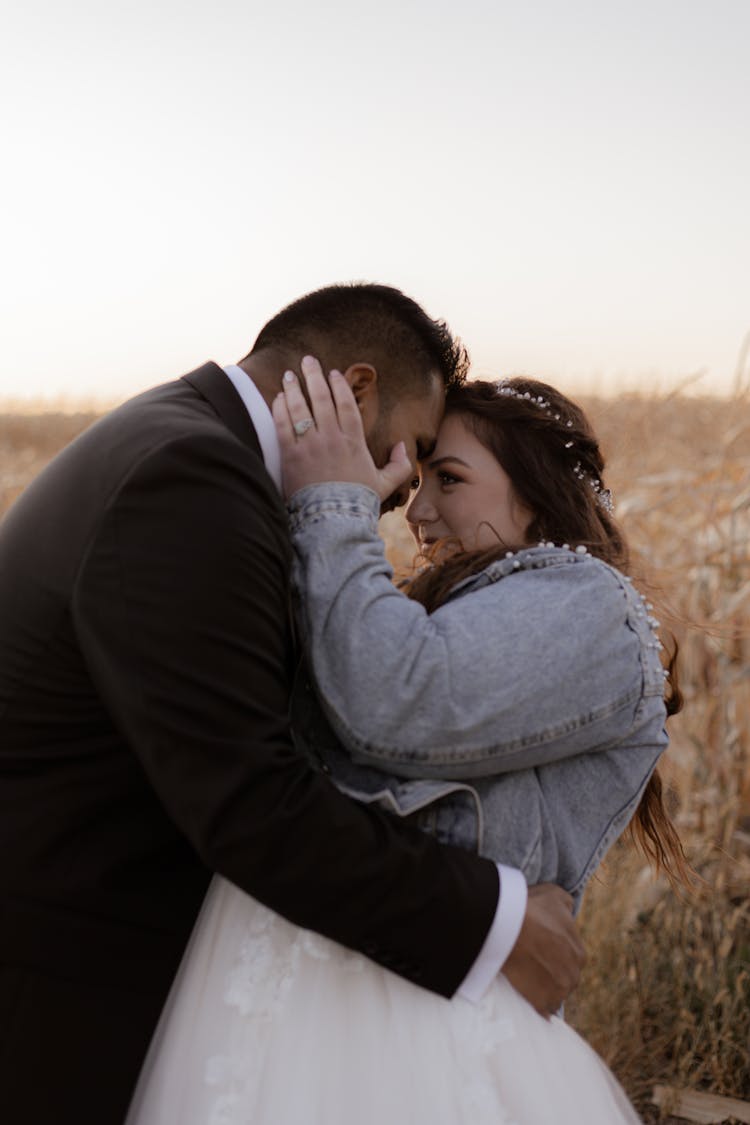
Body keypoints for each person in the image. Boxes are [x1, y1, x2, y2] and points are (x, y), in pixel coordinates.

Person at [0, 284, 582, 1125]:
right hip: (57, 991)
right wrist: (496, 919)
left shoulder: (185, 442)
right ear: (353, 392)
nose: (399, 490)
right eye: (411, 448)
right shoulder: (191, 478)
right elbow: (251, 801)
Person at [123, 363, 684, 1124]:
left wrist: (332, 500)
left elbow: (399, 703)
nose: (415, 513)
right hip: (315, 980)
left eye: (447, 479)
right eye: (414, 484)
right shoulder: (444, 607)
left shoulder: (590, 603)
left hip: (418, 1018)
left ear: (542, 491)